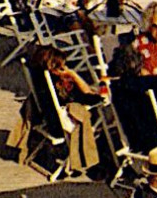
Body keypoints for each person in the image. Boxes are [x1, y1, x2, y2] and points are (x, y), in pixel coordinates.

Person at [11, 46, 103, 176]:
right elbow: (89, 96)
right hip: (60, 126)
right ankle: (92, 161)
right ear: (54, 69)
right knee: (99, 113)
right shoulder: (59, 88)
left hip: (49, 120)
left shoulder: (41, 82)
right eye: (62, 67)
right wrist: (73, 75)